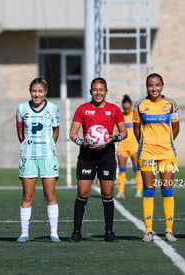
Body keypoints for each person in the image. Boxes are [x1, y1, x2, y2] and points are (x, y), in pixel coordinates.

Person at [68, 77, 127, 242]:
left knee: (107, 193)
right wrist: (82, 142)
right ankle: (76, 232)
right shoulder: (82, 109)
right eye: (95, 89)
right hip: (87, 155)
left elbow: (124, 132)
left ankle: (109, 232)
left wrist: (113, 138)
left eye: (101, 90)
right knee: (83, 192)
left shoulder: (114, 109)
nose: (98, 93)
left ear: (106, 92)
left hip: (106, 155)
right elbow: (73, 133)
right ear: (90, 92)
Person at [133, 73, 180, 242]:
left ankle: (169, 230)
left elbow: (176, 128)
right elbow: (137, 130)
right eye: (151, 85)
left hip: (167, 154)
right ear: (147, 87)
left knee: (167, 190)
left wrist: (165, 143)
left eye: (157, 85)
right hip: (146, 153)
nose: (154, 88)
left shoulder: (171, 105)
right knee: (149, 190)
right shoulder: (139, 105)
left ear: (162, 86)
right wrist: (147, 144)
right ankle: (148, 231)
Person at [15, 78, 61, 243]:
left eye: (40, 91)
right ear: (30, 91)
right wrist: (26, 145)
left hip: (47, 156)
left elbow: (56, 129)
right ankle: (24, 233)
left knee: (50, 195)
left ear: (45, 92)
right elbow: (20, 131)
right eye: (34, 91)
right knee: (28, 195)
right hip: (28, 156)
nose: (37, 94)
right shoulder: (21, 108)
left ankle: (54, 233)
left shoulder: (53, 108)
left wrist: (49, 145)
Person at [115, 94, 143, 199]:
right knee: (122, 170)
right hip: (122, 147)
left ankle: (139, 192)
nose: (126, 110)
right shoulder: (120, 117)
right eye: (125, 108)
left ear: (131, 105)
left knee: (137, 169)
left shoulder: (135, 115)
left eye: (128, 108)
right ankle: (120, 192)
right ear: (122, 106)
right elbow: (116, 131)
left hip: (134, 147)